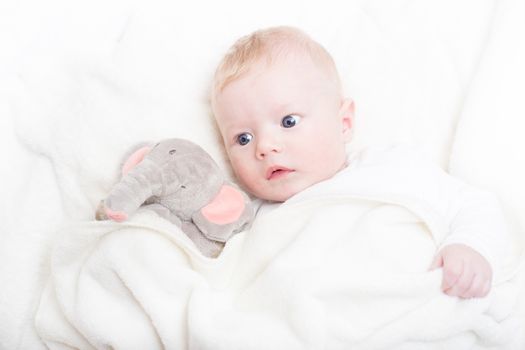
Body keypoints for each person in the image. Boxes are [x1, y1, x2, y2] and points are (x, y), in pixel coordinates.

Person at [210, 26, 508, 299]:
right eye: (243, 139)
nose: (265, 147)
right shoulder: (251, 221)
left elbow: (474, 204)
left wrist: (470, 246)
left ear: (344, 122)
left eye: (288, 121)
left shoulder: (391, 167)